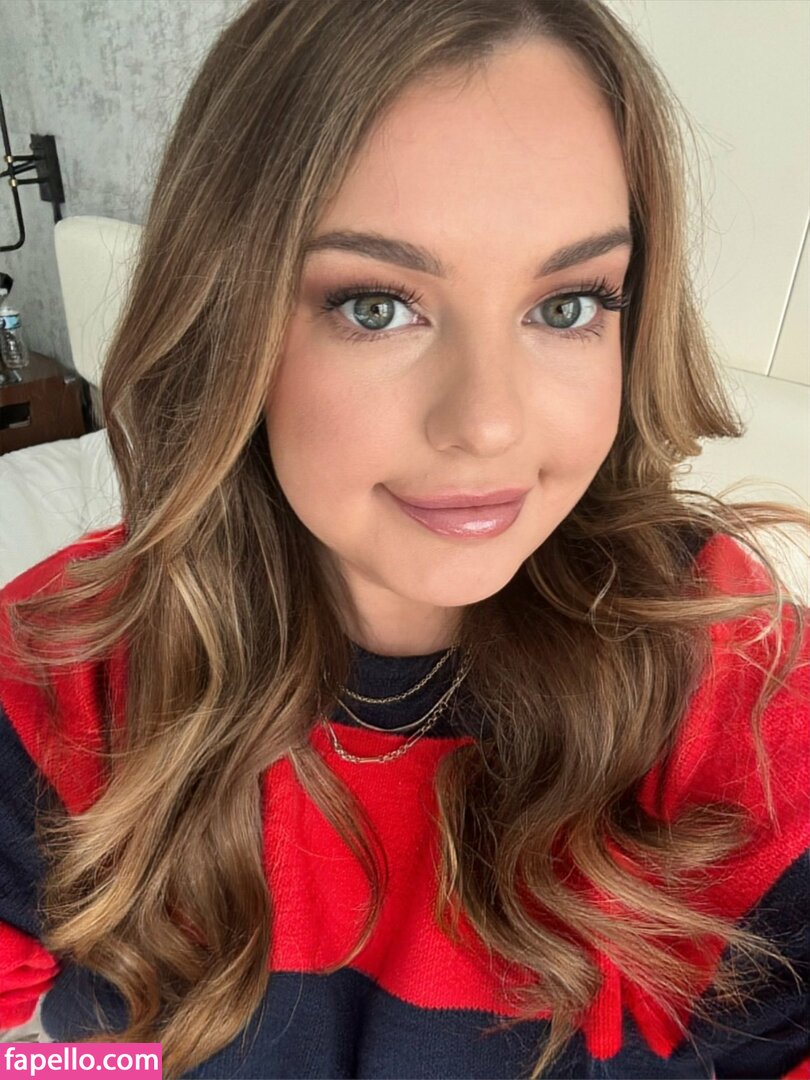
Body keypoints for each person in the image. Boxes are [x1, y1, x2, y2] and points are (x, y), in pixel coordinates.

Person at [1, 0, 808, 1077]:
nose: (488, 424)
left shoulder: (729, 677)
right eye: (377, 306)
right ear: (226, 316)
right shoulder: (61, 667)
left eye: (569, 305)